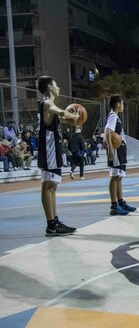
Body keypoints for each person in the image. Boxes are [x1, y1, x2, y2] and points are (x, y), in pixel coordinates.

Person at [36, 75, 78, 236]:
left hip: (53, 148)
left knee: (52, 186)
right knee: (48, 185)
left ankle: (54, 221)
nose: (58, 88)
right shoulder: (47, 103)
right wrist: (74, 116)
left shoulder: (48, 104)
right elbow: (60, 112)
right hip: (49, 149)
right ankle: (51, 225)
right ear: (49, 88)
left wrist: (69, 116)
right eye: (56, 85)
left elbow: (61, 115)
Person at [105, 94, 137, 215]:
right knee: (114, 177)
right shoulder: (113, 116)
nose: (123, 105)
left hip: (120, 150)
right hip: (116, 151)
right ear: (118, 104)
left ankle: (121, 202)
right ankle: (114, 205)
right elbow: (108, 131)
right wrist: (110, 148)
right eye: (122, 103)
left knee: (119, 177)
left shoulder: (115, 116)